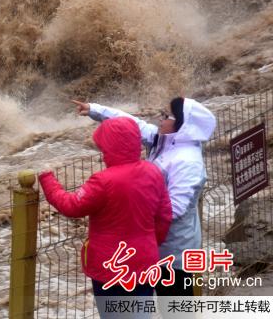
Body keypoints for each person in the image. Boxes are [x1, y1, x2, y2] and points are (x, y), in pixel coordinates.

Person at [72, 97, 217, 296]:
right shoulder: (163, 140)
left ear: (183, 126)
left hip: (174, 254)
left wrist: (131, 211)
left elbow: (176, 209)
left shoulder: (188, 162)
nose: (161, 119)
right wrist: (94, 109)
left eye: (167, 116)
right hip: (151, 248)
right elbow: (131, 124)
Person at [39, 117, 172, 318]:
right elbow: (164, 217)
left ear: (109, 147)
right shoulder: (153, 171)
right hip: (145, 259)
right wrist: (151, 243)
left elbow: (71, 206)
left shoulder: (103, 181)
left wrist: (47, 179)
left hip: (112, 266)